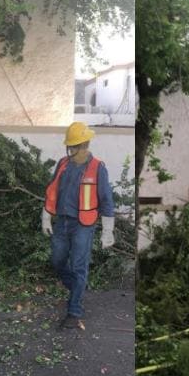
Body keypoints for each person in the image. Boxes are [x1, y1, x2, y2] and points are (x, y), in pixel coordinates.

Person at [41, 122, 115, 330]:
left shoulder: (98, 168)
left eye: (74, 147)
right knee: (56, 260)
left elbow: (107, 200)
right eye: (70, 147)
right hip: (62, 222)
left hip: (84, 225)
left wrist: (108, 230)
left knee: (78, 266)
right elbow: (52, 190)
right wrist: (46, 216)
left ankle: (74, 311)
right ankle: (77, 288)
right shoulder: (63, 164)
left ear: (85, 145)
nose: (70, 151)